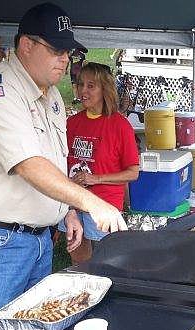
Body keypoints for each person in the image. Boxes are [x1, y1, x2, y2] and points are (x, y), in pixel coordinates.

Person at [0, 3, 127, 330]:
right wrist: (90, 201)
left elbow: (52, 160)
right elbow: (29, 165)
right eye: (57, 50)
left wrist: (67, 210)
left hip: (38, 241)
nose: (65, 60)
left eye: (69, 52)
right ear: (27, 46)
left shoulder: (48, 95)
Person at [59, 62, 139, 264]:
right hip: (73, 203)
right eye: (80, 84)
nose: (83, 91)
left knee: (107, 265)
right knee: (80, 264)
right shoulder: (72, 123)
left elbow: (132, 173)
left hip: (104, 205)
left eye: (91, 86)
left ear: (105, 89)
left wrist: (95, 178)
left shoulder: (120, 125)